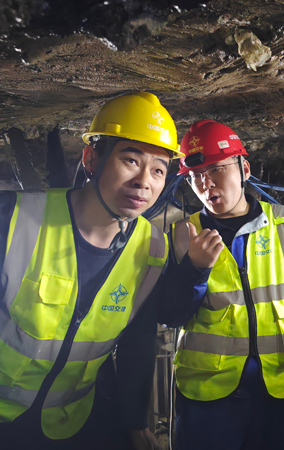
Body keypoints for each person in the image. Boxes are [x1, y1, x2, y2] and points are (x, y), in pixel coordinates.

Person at [0, 91, 196, 450]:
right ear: (91, 158)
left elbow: (139, 341)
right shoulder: (13, 219)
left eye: (158, 170)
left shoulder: (153, 249)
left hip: (71, 424)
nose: (144, 182)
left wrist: (134, 422)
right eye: (131, 160)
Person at [160, 120, 284, 450]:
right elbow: (170, 314)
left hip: (278, 390)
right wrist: (194, 270)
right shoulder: (182, 235)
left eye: (216, 169)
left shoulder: (283, 223)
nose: (205, 183)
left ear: (245, 169)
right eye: (195, 176)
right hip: (209, 398)